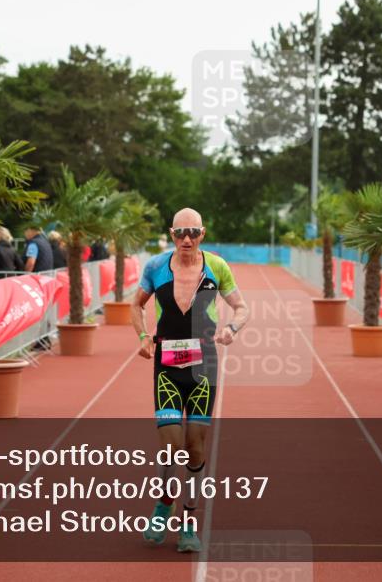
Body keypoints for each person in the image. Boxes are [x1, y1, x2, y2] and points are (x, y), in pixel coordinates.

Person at [131, 208, 249, 553]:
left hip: (203, 365)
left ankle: (189, 521)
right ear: (171, 234)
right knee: (170, 444)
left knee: (195, 447)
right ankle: (163, 504)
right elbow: (135, 305)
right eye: (180, 232)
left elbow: (242, 307)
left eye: (193, 232)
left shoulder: (218, 266)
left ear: (203, 233)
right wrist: (142, 337)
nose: (186, 239)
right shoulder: (155, 266)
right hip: (167, 364)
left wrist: (232, 328)